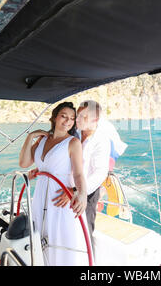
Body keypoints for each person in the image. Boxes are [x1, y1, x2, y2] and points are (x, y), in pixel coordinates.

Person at [18, 102, 88, 266]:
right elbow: (23, 162)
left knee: (59, 240)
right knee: (40, 237)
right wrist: (30, 137)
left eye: (72, 118)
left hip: (60, 198)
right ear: (55, 117)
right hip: (40, 196)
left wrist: (82, 193)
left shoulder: (73, 143)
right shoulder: (42, 140)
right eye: (64, 116)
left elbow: (78, 173)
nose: (68, 121)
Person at [52, 100, 110, 251]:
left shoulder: (101, 141)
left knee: (84, 233)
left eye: (83, 117)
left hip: (86, 194)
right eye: (78, 115)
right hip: (64, 189)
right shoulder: (73, 133)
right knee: (64, 231)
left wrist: (76, 191)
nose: (77, 120)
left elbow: (99, 174)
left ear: (95, 120)